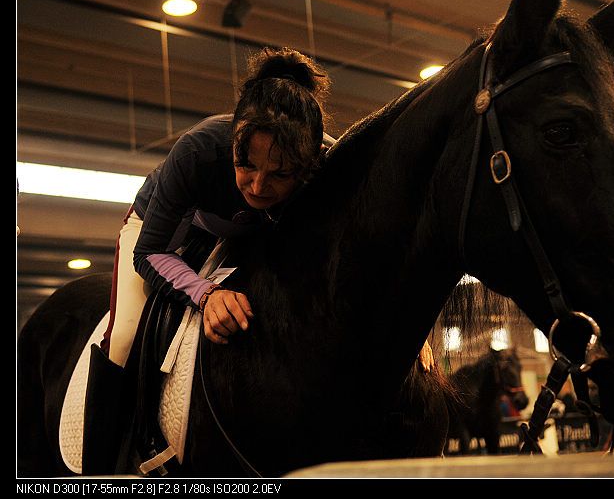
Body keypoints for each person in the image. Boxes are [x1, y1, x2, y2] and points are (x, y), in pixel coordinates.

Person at [81, 46, 434, 475]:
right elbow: (149, 252)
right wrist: (206, 295)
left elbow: (360, 255)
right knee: (123, 337)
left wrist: (405, 329)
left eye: (281, 173)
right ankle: (100, 469)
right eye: (245, 164)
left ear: (307, 164)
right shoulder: (197, 149)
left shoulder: (329, 160)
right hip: (164, 234)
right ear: (234, 139)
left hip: (248, 232)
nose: (258, 184)